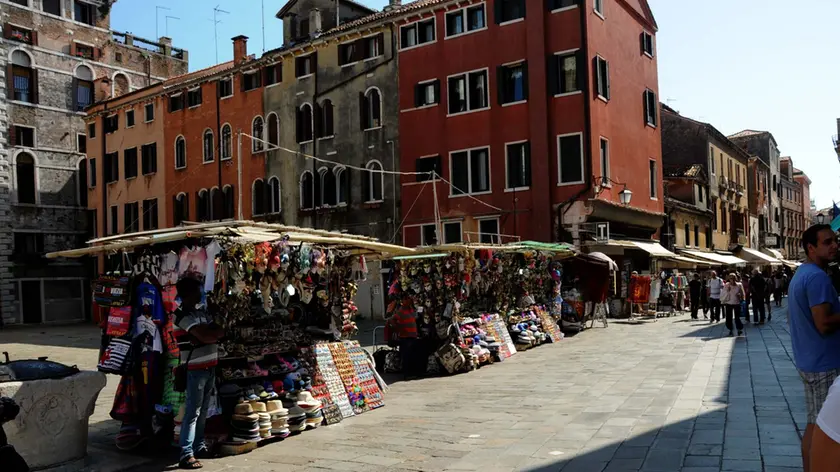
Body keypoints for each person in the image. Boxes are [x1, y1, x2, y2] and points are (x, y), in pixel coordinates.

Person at [788, 224, 840, 472]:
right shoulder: (817, 277)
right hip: (824, 364)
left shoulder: (802, 273)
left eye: (835, 241)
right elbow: (823, 323)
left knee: (813, 424)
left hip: (809, 360)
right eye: (827, 242)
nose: (834, 246)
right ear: (811, 248)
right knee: (826, 431)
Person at [175, 276, 224, 470]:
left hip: (209, 365)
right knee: (193, 412)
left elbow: (218, 332)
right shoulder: (180, 316)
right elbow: (207, 335)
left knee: (203, 410)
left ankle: (199, 445)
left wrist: (206, 336)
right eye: (198, 291)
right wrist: (206, 335)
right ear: (189, 294)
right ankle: (186, 453)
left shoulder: (201, 313)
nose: (201, 294)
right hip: (195, 369)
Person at [720, 272, 745, 337]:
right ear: (729, 279)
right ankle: (730, 329)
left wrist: (741, 296)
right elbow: (723, 294)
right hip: (729, 303)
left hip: (737, 303)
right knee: (728, 317)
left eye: (733, 278)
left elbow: (743, 294)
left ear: (735, 278)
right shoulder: (727, 285)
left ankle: (739, 329)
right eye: (731, 278)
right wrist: (727, 291)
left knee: (737, 317)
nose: (732, 279)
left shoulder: (739, 285)